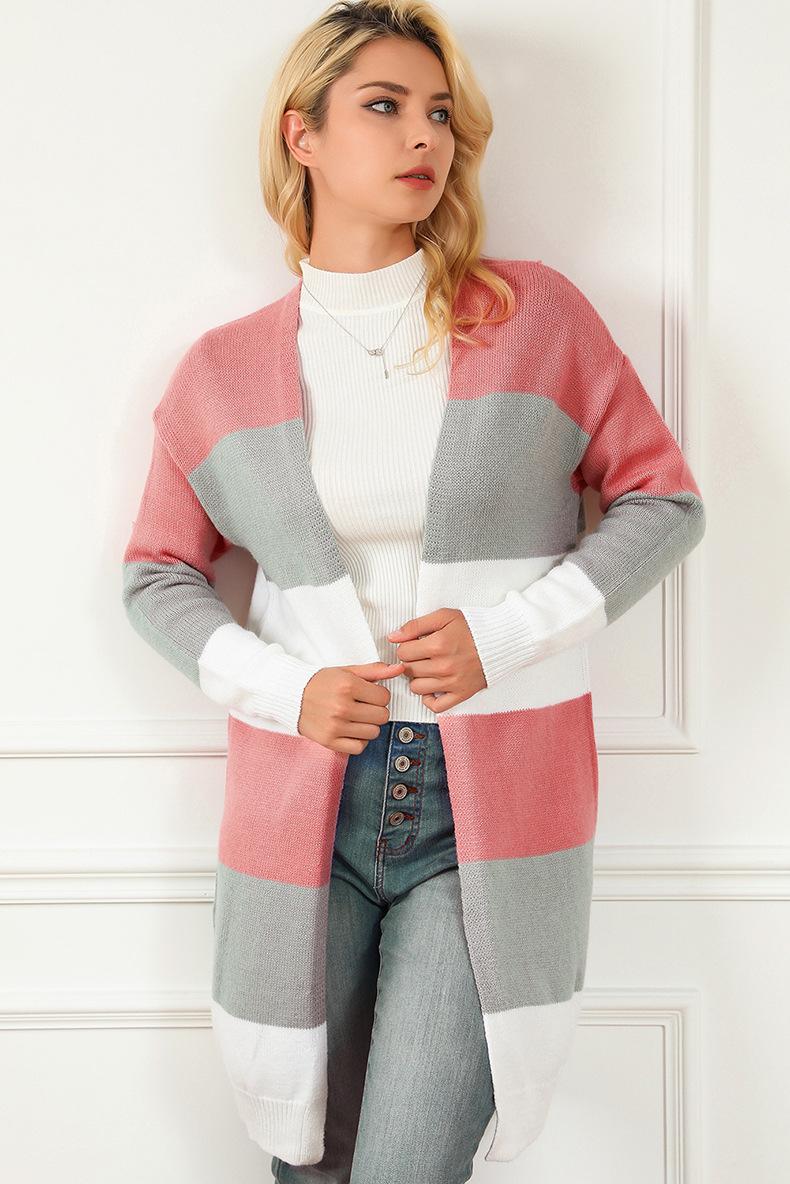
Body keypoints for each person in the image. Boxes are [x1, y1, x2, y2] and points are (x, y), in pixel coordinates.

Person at [122, 2, 706, 1181]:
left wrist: (506, 635)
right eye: (382, 106)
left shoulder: (532, 319)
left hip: (483, 807)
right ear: (302, 135)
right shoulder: (222, 372)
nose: (422, 136)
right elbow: (156, 573)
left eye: (438, 112)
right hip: (303, 805)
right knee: (309, 1160)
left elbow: (663, 499)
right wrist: (287, 689)